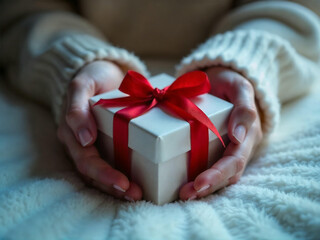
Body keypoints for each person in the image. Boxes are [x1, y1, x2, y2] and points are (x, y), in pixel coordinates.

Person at [0, 0, 319, 202]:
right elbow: (21, 10)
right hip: (72, 70)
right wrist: (75, 61)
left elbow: (299, 10)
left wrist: (244, 62)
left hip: (226, 71)